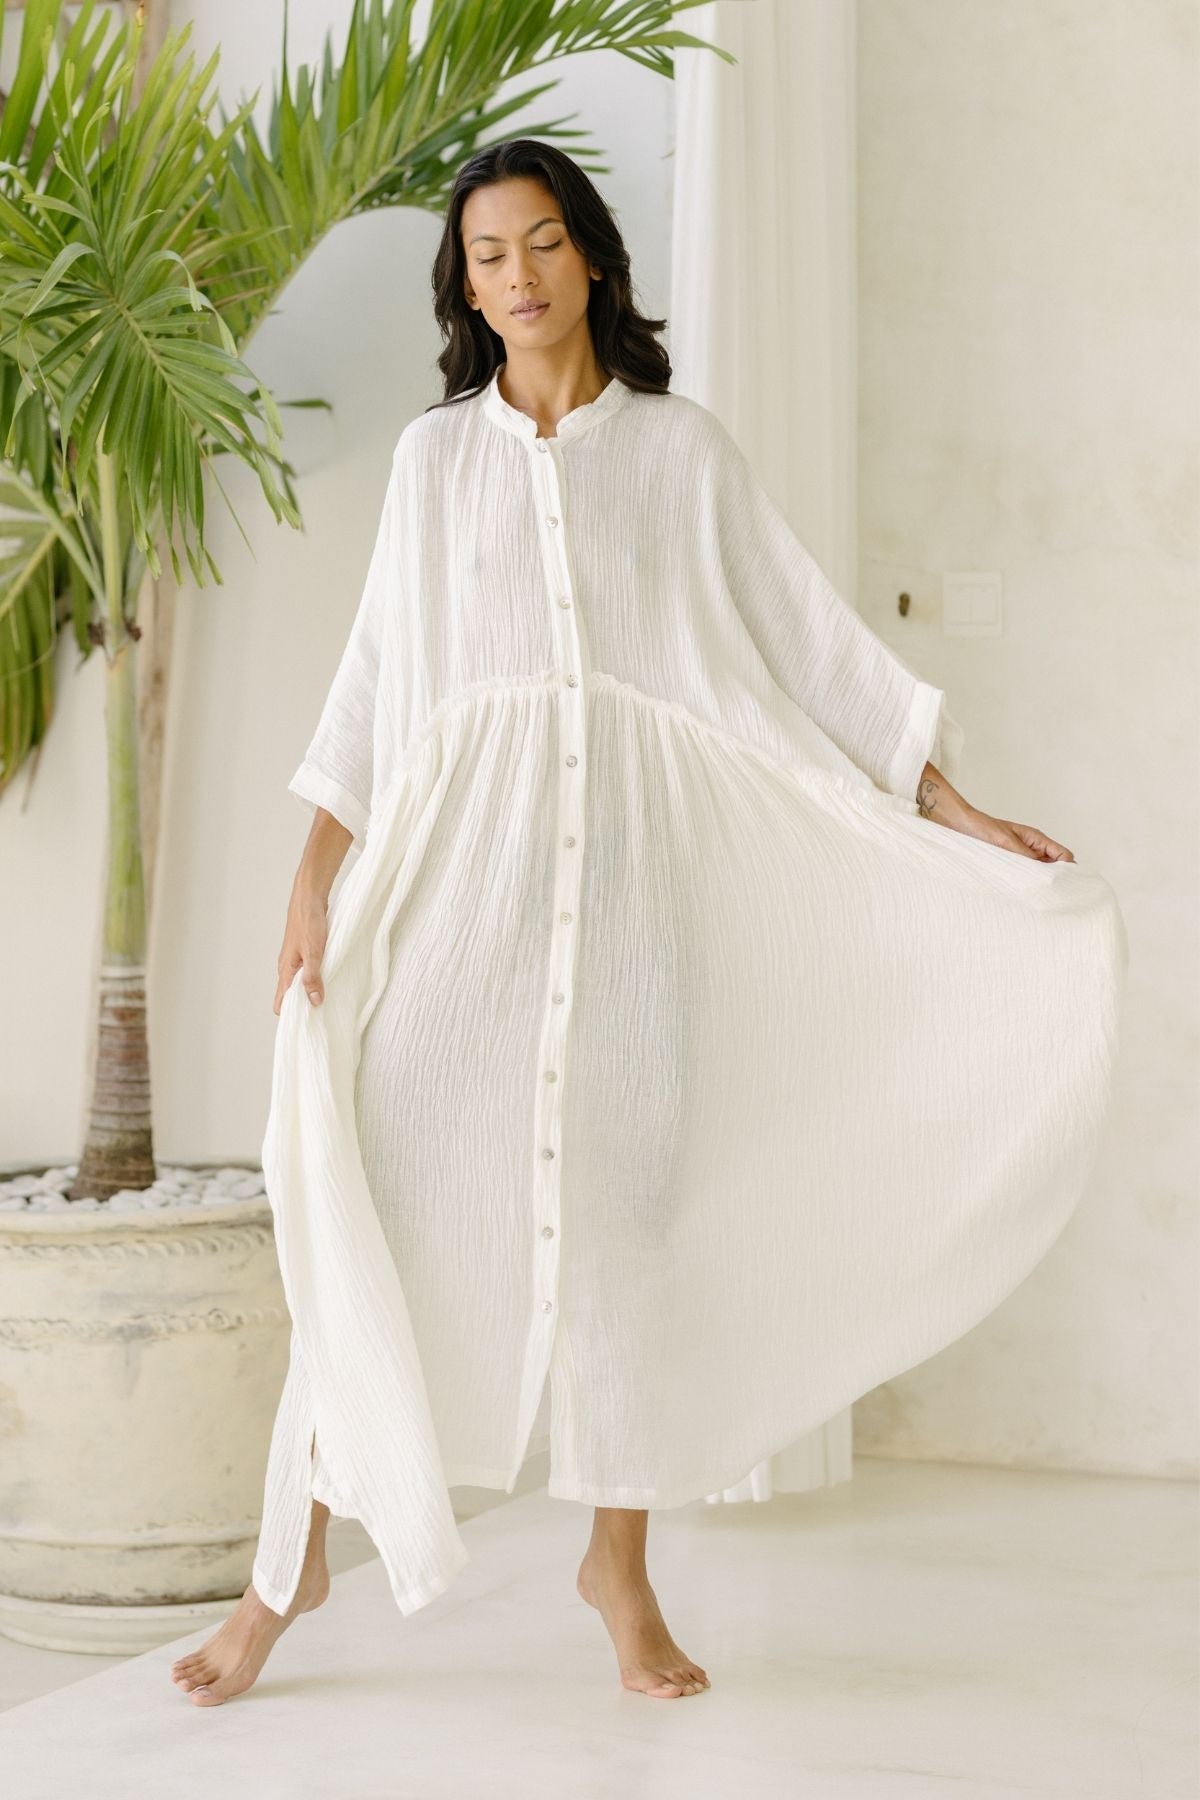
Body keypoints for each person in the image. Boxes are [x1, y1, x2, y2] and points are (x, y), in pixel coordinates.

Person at [171, 139, 1127, 1708]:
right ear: (466, 289)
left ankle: (616, 1564)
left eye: (544, 244)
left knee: (630, 1249)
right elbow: (369, 688)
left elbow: (817, 652)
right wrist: (308, 880)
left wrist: (961, 815)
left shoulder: (679, 458)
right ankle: (284, 1577)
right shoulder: (435, 467)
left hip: (630, 935)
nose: (522, 277)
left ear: (593, 259)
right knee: (383, 1232)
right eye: (489, 257)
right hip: (454, 928)